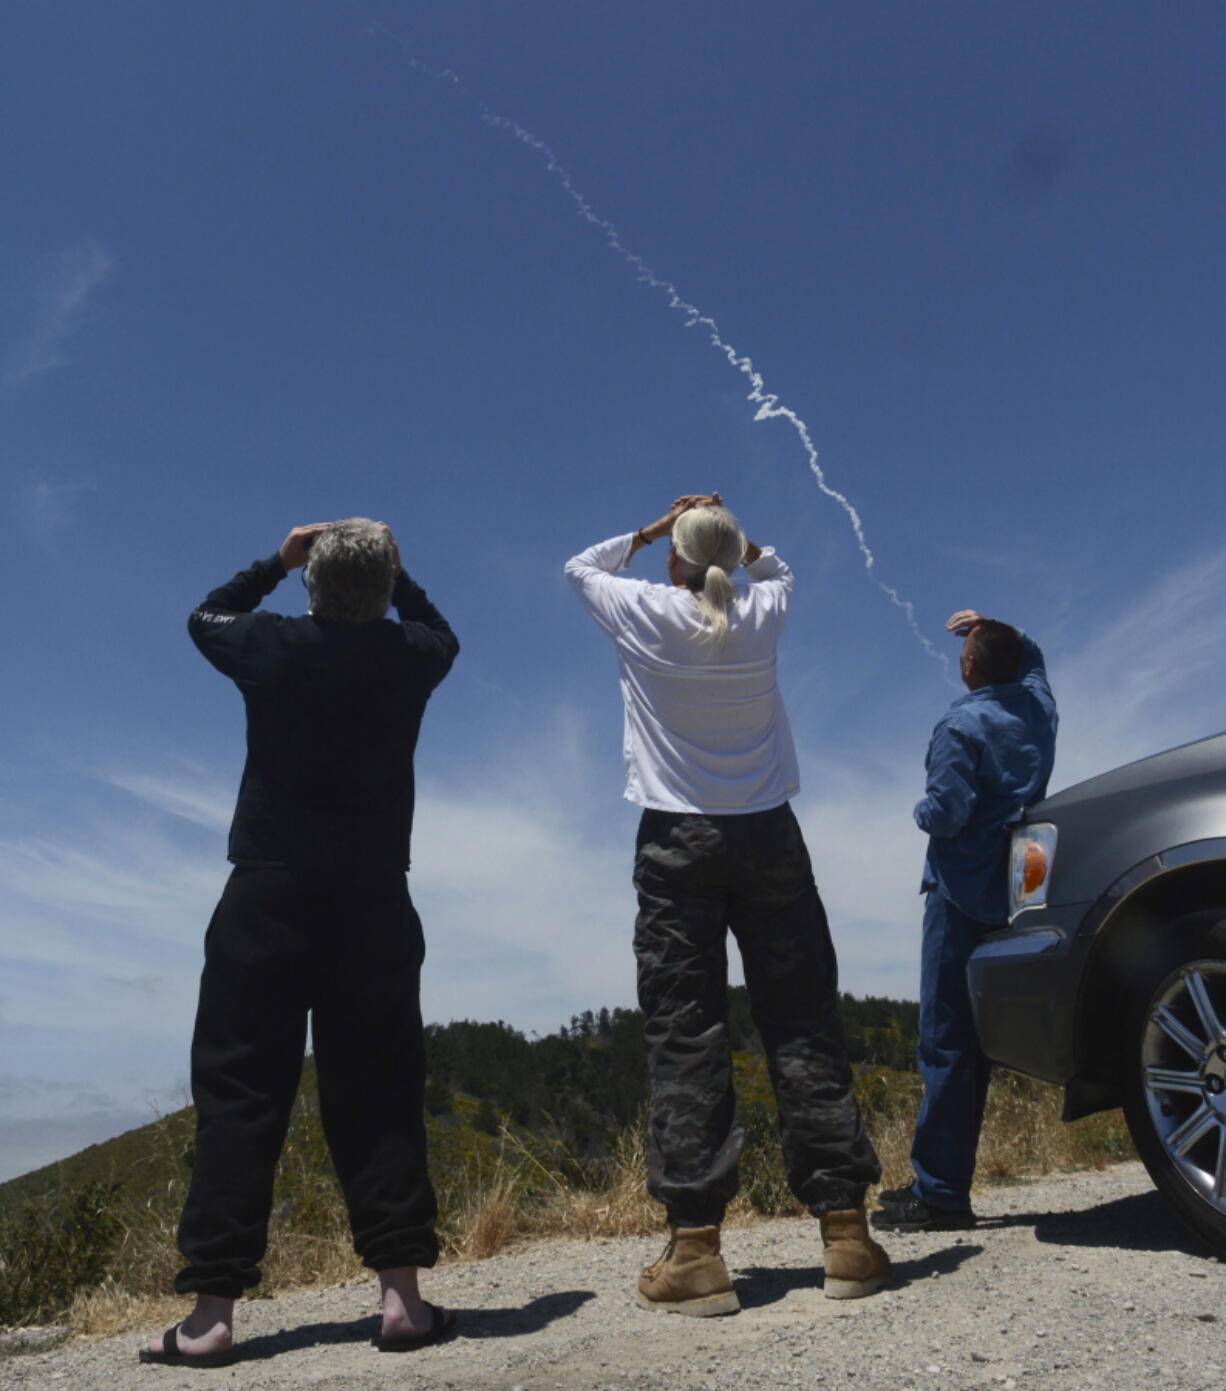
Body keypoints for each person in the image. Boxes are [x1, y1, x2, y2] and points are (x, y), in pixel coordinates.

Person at [140, 517, 458, 1368]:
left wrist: (275, 562)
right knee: (380, 1087)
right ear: (386, 587)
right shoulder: (408, 659)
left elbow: (203, 614)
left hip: (267, 892)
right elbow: (441, 633)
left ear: (310, 585)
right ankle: (401, 1298)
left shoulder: (271, 646)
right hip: (373, 898)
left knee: (241, 1092)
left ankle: (210, 1316)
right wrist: (401, 573)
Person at [565, 494, 888, 1316]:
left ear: (672, 562)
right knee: (804, 1019)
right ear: (730, 556)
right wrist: (733, 535)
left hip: (677, 843)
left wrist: (648, 526)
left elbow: (581, 568)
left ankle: (697, 1251)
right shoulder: (762, 612)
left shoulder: (643, 608)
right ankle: (846, 1234)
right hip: (770, 834)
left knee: (687, 1031)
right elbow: (777, 569)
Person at [872, 610, 1057, 1233]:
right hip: (1017, 889)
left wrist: (918, 810)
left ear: (968, 665)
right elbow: (1033, 661)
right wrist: (998, 625)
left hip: (958, 895)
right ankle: (942, 1183)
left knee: (946, 1043)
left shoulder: (960, 724)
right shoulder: (1037, 712)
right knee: (979, 1042)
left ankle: (941, 1194)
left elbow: (946, 813)